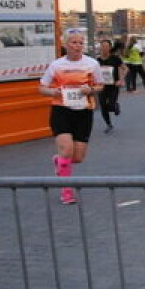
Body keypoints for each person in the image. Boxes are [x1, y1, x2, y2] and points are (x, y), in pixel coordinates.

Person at [39, 30, 104, 205]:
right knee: (66, 150)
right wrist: (52, 91)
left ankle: (59, 161)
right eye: (74, 42)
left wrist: (91, 90)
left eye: (81, 42)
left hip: (83, 112)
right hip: (61, 110)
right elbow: (42, 87)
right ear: (66, 44)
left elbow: (100, 85)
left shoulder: (92, 64)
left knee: (77, 158)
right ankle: (66, 192)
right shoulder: (56, 65)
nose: (78, 46)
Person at [96, 39, 126, 134]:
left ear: (109, 48)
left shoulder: (115, 59)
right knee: (103, 106)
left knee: (111, 106)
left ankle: (115, 106)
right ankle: (109, 124)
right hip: (101, 86)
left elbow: (126, 69)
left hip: (113, 86)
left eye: (106, 46)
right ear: (100, 47)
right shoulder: (97, 61)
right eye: (103, 46)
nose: (104, 48)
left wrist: (120, 80)